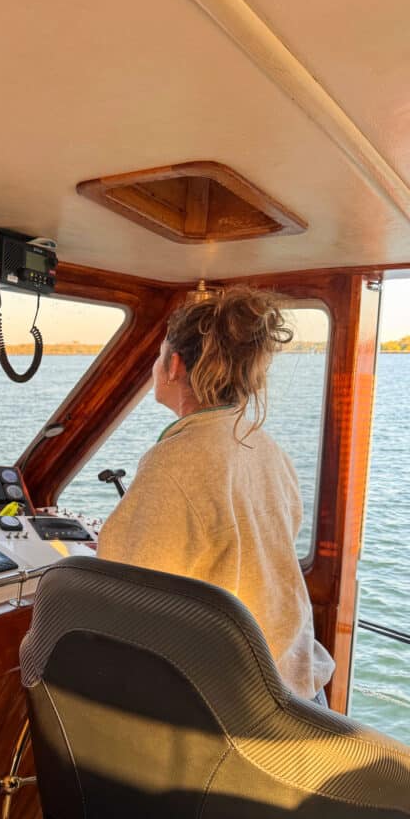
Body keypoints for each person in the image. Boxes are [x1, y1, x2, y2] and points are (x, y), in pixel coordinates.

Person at [97, 285, 334, 703]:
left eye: (157, 356)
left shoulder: (174, 461)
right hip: (298, 688)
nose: (155, 366)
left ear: (173, 365)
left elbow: (122, 592)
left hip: (240, 708)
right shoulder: (265, 447)